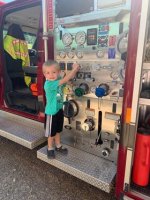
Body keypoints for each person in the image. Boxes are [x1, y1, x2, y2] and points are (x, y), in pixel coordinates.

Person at [42, 60, 80, 159]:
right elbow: (65, 79)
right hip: (51, 113)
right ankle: (50, 148)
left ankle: (58, 146)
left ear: (58, 72)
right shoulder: (49, 84)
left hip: (59, 110)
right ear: (44, 74)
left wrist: (72, 73)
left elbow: (66, 80)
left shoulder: (57, 81)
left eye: (54, 72)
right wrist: (74, 69)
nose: (51, 75)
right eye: (48, 73)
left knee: (58, 130)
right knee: (51, 133)